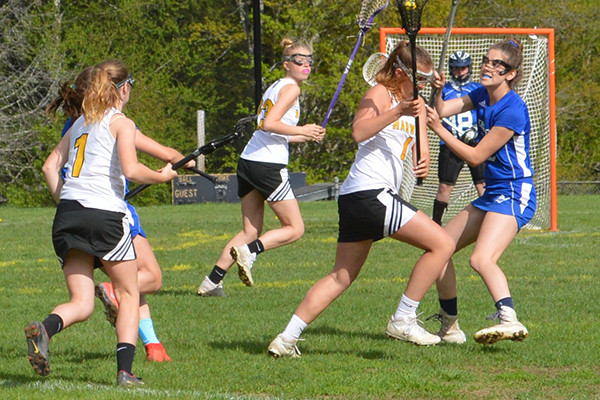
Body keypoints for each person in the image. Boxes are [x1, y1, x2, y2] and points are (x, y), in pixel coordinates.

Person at [266, 41, 456, 358]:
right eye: (418, 79)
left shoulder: (416, 102)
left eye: (425, 80)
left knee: (341, 275)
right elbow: (359, 132)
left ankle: (286, 338)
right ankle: (403, 317)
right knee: (443, 244)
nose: (422, 85)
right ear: (398, 72)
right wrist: (398, 110)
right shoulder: (381, 94)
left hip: (363, 196)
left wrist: (421, 159)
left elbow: (419, 142)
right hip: (369, 191)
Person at [32, 60, 177, 386]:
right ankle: (125, 371)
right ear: (122, 89)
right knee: (128, 293)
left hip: (67, 216)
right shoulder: (120, 122)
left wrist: (69, 202)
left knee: (81, 303)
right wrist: (162, 176)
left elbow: (49, 168)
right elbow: (132, 170)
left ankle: (45, 328)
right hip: (105, 216)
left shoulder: (79, 123)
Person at [197, 37, 325, 297]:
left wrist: (305, 135)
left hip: (249, 161)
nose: (306, 65)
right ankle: (250, 251)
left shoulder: (276, 87)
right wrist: (302, 128)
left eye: (309, 60)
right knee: (294, 228)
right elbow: (269, 124)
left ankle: (212, 282)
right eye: (299, 60)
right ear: (286, 64)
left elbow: (272, 129)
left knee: (250, 230)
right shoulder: (291, 89)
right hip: (267, 165)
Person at [426, 38, 535, 345]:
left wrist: (437, 129)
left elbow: (475, 157)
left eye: (496, 64)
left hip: (514, 191)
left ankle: (509, 319)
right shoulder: (482, 94)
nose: (488, 66)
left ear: (510, 73)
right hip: (493, 193)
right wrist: (438, 89)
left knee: (481, 259)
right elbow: (444, 109)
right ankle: (449, 327)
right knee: (439, 248)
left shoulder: (513, 109)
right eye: (486, 60)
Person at [432, 51, 485, 226]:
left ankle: (489, 220)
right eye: (456, 68)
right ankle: (436, 224)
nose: (459, 72)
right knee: (444, 187)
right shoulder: (445, 90)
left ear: (469, 68)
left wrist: (476, 132)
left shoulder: (477, 90)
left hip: (475, 143)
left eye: (463, 68)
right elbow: (435, 111)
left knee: (483, 186)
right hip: (450, 145)